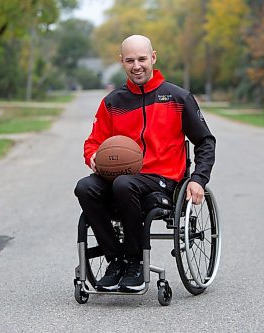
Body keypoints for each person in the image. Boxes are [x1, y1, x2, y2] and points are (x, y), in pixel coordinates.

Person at [74, 35, 216, 292]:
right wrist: (93, 157)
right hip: (121, 177)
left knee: (124, 184)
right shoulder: (113, 102)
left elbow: (205, 141)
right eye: (130, 60)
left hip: (163, 180)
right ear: (122, 62)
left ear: (153, 58)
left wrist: (198, 179)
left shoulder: (178, 97)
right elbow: (93, 142)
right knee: (85, 187)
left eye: (142, 59)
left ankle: (135, 261)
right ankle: (116, 259)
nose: (136, 66)